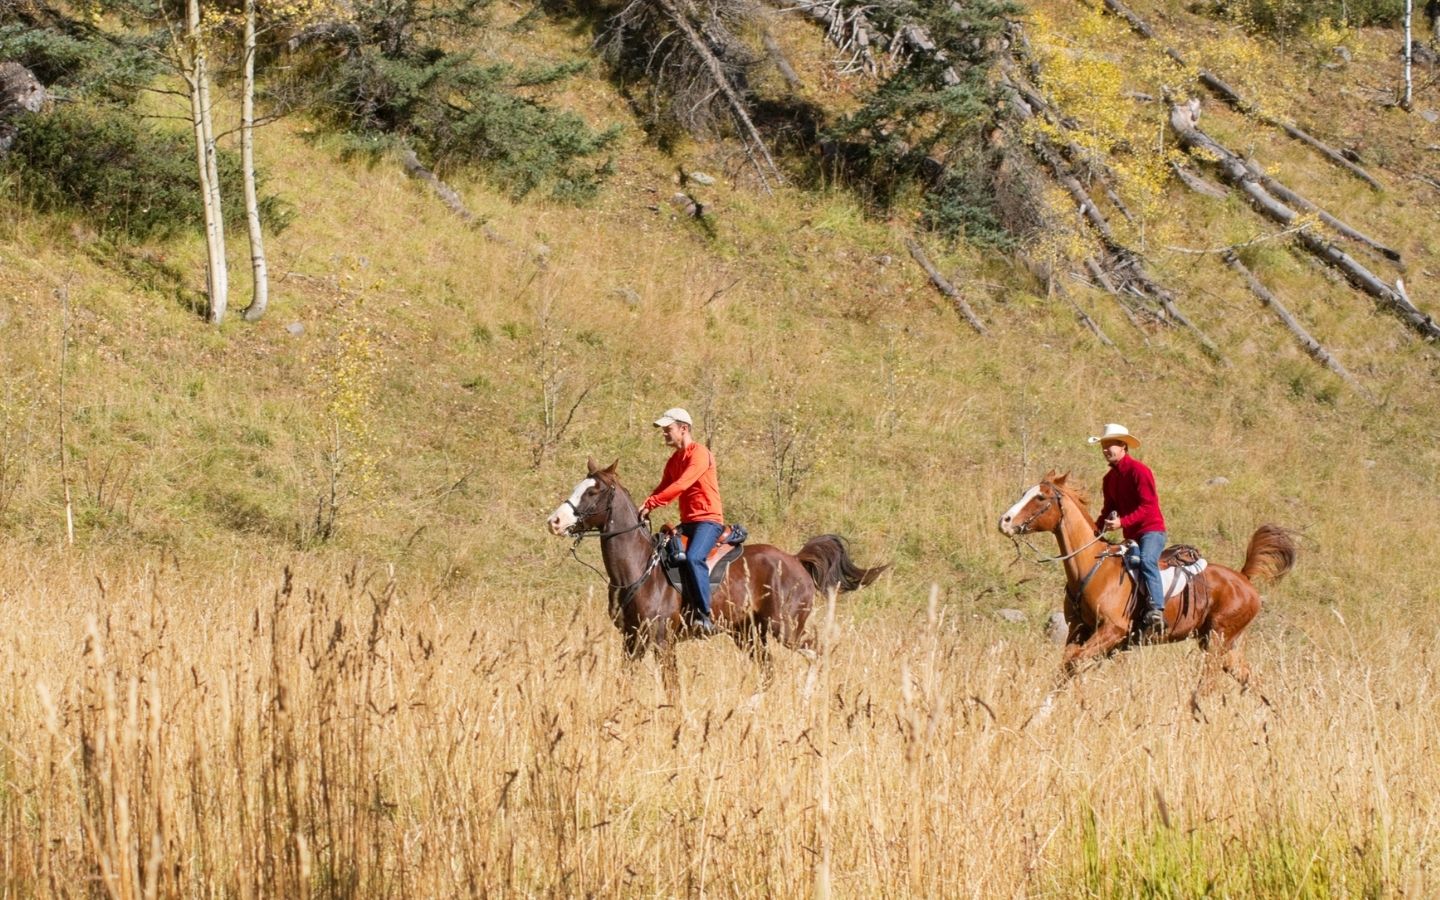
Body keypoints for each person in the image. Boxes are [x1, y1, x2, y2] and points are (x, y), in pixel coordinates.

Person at [639, 407, 724, 634]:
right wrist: (646, 504)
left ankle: (705, 617)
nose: (664, 434)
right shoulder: (674, 460)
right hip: (688, 522)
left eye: (668, 429)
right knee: (663, 554)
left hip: (708, 521)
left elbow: (680, 485)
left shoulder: (700, 454)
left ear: (683, 429)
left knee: (695, 557)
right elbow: (664, 486)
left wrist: (651, 503)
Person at [1089, 423, 1168, 634]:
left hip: (1152, 531)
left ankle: (1157, 609)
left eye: (1110, 445)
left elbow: (1148, 506)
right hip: (1132, 535)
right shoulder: (1109, 479)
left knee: (1147, 560)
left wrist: (1121, 522)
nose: (1106, 450)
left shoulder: (1139, 471)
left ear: (1123, 446)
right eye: (1103, 446)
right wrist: (1096, 531)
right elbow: (1108, 509)